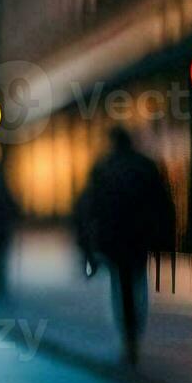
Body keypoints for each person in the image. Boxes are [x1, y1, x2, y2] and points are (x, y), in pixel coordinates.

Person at [77, 127, 175, 367]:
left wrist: (88, 243)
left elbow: (89, 206)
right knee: (138, 281)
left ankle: (128, 335)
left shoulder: (104, 168)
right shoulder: (145, 166)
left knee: (120, 285)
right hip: (139, 237)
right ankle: (134, 330)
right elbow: (162, 202)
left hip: (114, 239)